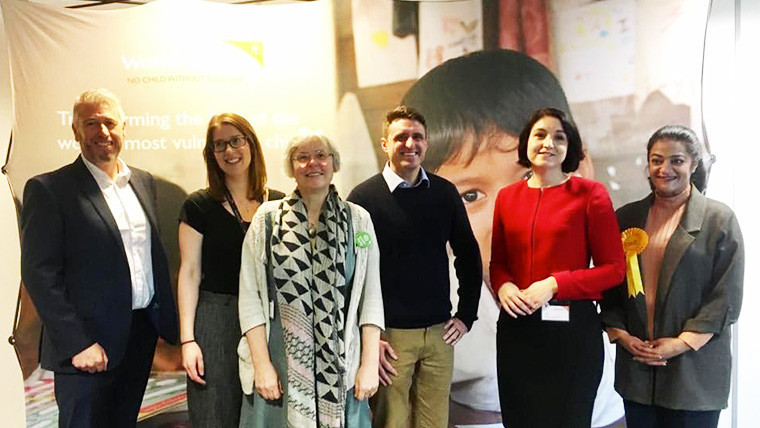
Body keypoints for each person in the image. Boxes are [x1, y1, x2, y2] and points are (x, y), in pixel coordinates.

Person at [401, 49, 621, 425]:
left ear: (580, 167)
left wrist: (555, 284)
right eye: (470, 196)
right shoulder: (442, 292)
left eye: (525, 177)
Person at [19, 88, 178, 427]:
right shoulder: (50, 189)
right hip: (86, 348)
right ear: (76, 132)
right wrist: (78, 343)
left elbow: (149, 258)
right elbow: (39, 273)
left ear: (124, 127)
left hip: (138, 338)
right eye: (91, 123)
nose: (102, 132)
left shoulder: (143, 182)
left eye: (109, 122)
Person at [347, 106, 482, 427]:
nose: (410, 144)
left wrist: (466, 315)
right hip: (389, 337)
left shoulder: (444, 192)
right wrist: (367, 337)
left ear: (426, 142)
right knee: (391, 422)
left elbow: (468, 253)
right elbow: (352, 271)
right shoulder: (363, 199)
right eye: (401, 137)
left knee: (434, 422)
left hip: (439, 335)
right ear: (385, 144)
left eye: (417, 136)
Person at [238, 130, 384, 427]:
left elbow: (371, 296)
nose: (312, 163)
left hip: (342, 360)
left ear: (334, 164)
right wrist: (262, 364)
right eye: (301, 157)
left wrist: (368, 365)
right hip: (280, 357)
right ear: (291, 167)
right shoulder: (267, 219)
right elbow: (249, 296)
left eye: (320, 156)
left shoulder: (358, 220)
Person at [490, 107, 625, 427]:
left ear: (570, 147)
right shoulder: (507, 198)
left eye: (558, 136)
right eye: (540, 134)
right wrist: (505, 286)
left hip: (572, 334)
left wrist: (553, 284)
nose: (548, 142)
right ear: (526, 143)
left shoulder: (590, 194)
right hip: (517, 332)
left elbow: (614, 269)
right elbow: (499, 264)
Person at [601, 126, 743, 428]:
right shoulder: (625, 217)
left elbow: (726, 297)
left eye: (676, 160)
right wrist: (623, 337)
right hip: (637, 371)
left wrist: (679, 343)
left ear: (693, 164)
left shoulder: (719, 219)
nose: (665, 169)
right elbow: (610, 287)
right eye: (656, 160)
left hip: (694, 373)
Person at [177, 113, 285, 427]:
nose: (229, 151)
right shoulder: (199, 206)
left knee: (267, 412)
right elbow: (189, 273)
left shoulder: (281, 204)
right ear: (211, 154)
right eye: (219, 145)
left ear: (251, 144)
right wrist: (188, 340)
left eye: (236, 140)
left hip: (268, 320)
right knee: (215, 412)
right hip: (217, 319)